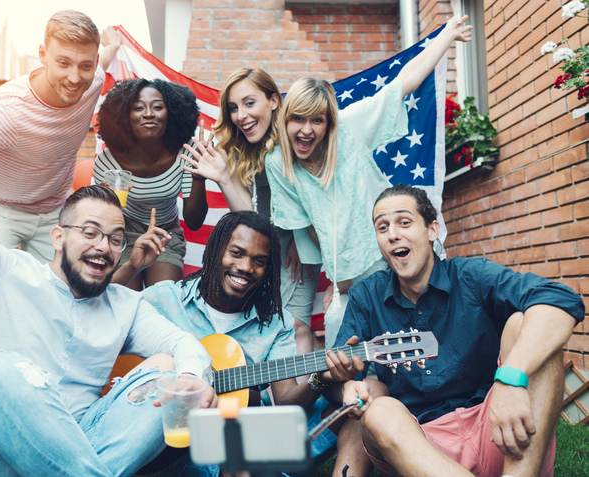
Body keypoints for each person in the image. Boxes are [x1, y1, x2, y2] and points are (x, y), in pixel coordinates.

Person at [0, 18, 214, 476]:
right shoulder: (4, 272)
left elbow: (185, 343)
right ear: (59, 236)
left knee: (166, 371)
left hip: (80, 441)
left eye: (112, 238)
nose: (102, 246)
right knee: (1, 371)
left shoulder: (123, 306)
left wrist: (189, 375)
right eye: (89, 232)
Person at [330, 185, 584, 477]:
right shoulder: (367, 296)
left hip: (500, 430)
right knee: (379, 412)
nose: (392, 234)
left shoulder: (470, 275)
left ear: (432, 229)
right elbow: (338, 377)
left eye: (404, 222)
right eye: (382, 227)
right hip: (421, 449)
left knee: (527, 325)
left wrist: (510, 378)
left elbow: (561, 300)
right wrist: (347, 386)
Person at [0, 10, 124, 390]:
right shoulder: (6, 112)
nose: (74, 76)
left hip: (52, 211)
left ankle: (42, 403)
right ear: (42, 54)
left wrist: (111, 44)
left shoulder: (93, 79)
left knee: (56, 307)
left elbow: (101, 58)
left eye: (84, 65)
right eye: (63, 62)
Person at [264, 16, 473, 348]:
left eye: (316, 120)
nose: (307, 130)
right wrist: (335, 279)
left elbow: (404, 83)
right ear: (285, 120)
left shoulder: (347, 129)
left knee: (424, 343)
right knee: (343, 355)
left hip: (391, 258)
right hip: (349, 283)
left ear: (328, 121)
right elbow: (308, 227)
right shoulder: (278, 164)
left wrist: (446, 36)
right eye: (298, 119)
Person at [143, 211, 382, 476]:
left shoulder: (275, 326)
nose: (246, 267)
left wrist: (320, 378)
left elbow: (286, 402)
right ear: (214, 250)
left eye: (259, 261)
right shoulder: (165, 299)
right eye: (236, 253)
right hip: (156, 431)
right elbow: (109, 321)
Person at [181, 68, 321, 355]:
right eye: (233, 108)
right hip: (262, 256)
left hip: (297, 259)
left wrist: (300, 235)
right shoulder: (242, 150)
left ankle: (302, 392)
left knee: (295, 331)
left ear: (273, 101)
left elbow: (319, 200)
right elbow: (253, 219)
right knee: (264, 333)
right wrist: (222, 176)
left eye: (249, 103)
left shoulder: (296, 140)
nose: (240, 115)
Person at [93, 78, 209, 290]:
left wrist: (199, 177)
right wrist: (108, 203)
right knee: (124, 301)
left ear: (172, 114)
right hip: (124, 234)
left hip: (165, 234)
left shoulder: (186, 153)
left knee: (164, 302)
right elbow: (102, 218)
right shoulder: (108, 161)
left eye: (158, 107)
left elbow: (194, 221)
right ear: (124, 116)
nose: (148, 113)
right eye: (138, 107)